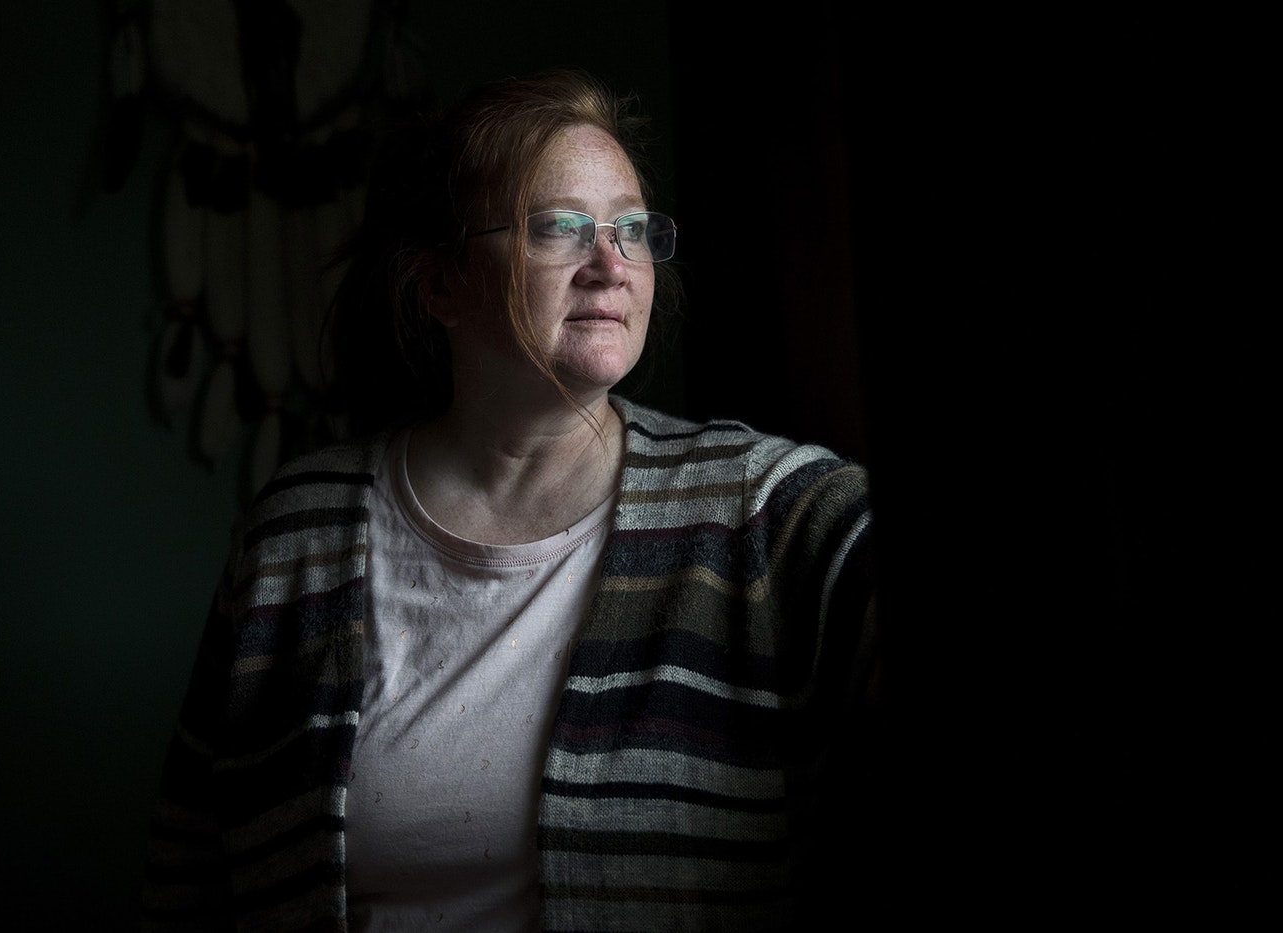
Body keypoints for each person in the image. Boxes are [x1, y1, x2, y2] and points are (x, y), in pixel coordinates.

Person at [140, 69, 879, 932]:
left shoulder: (765, 509)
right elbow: (190, 865)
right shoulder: (295, 533)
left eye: (632, 229)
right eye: (559, 227)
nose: (610, 262)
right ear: (440, 285)